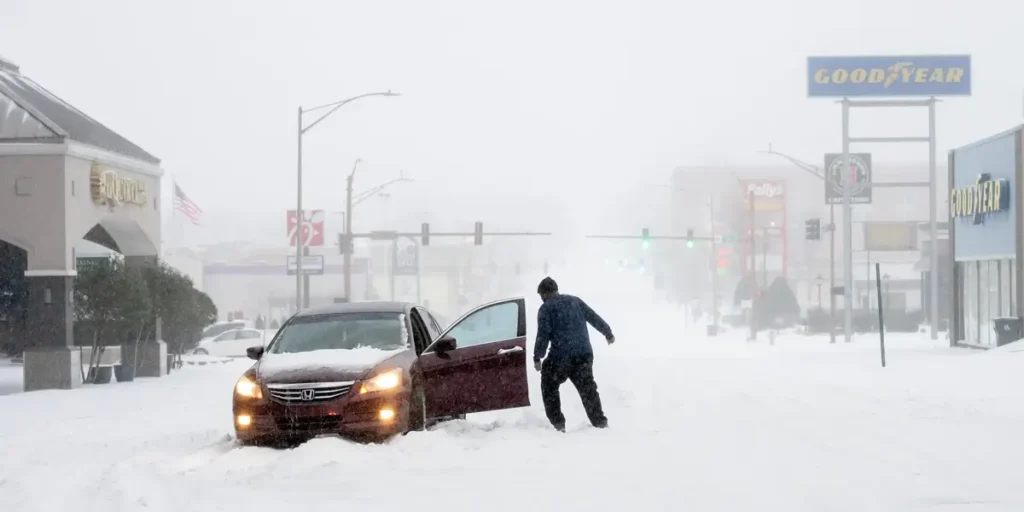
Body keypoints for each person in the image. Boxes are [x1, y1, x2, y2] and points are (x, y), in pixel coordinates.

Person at [533, 277, 615, 432]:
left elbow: (543, 335)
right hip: (583, 355)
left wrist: (538, 357)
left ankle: (558, 424)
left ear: (544, 294)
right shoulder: (575, 301)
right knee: (588, 389)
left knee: (549, 385)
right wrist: (607, 332)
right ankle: (600, 423)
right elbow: (593, 317)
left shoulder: (546, 309)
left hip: (560, 357)